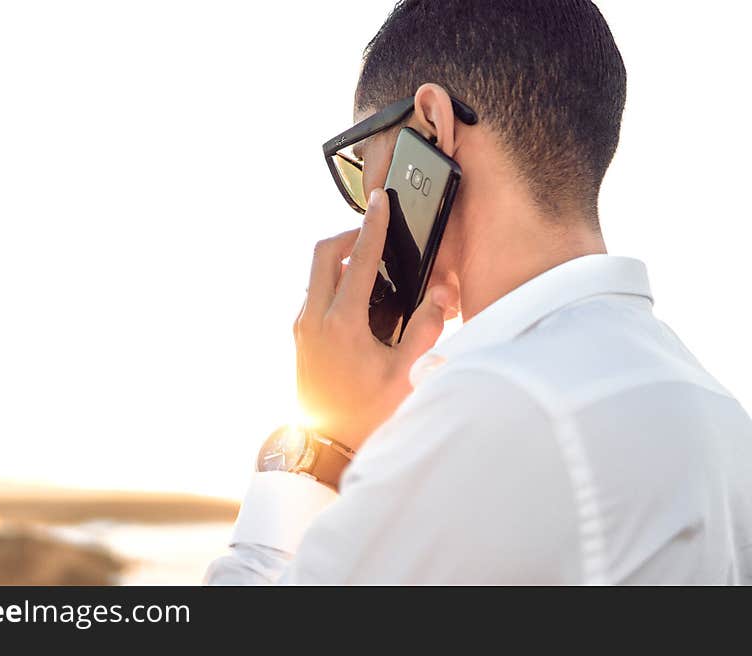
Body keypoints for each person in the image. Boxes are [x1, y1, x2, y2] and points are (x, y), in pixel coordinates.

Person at [205, 0, 752, 584]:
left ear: (432, 129)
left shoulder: (492, 413)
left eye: (362, 159)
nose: (366, 201)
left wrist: (319, 452)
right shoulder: (721, 416)